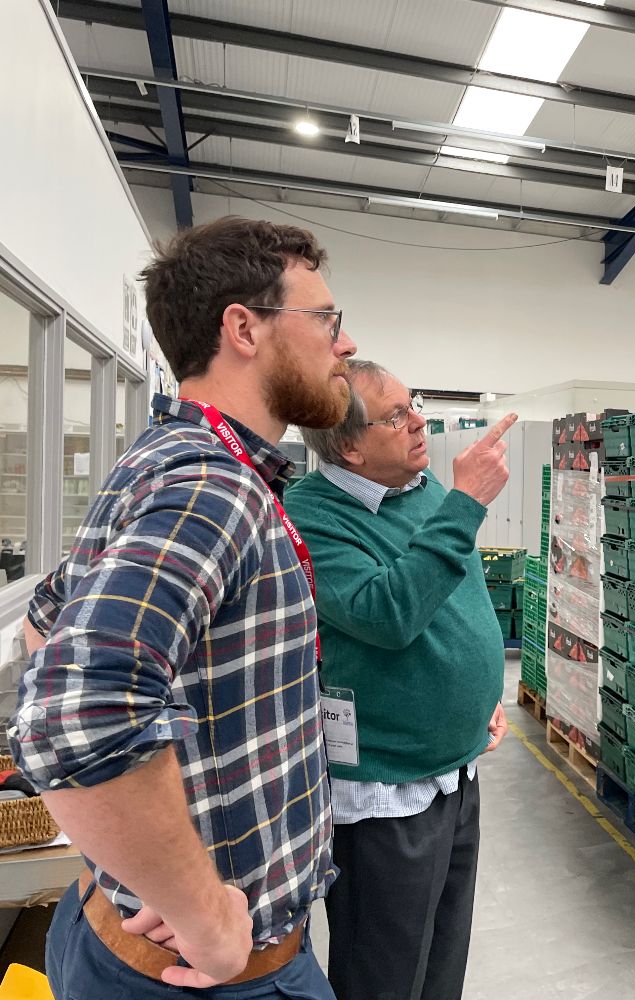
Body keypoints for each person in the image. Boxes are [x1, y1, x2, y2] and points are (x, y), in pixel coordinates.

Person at [10, 217, 357, 998]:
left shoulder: (162, 456)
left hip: (122, 937)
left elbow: (45, 622)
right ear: (244, 327)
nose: (344, 344)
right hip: (207, 976)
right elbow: (78, 715)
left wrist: (158, 865)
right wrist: (203, 914)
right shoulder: (213, 486)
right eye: (326, 319)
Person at [283, 361, 515, 1000]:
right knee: (383, 973)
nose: (420, 422)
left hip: (456, 769)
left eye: (414, 405)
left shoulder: (423, 491)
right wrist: (467, 504)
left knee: (443, 959)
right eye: (397, 415)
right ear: (349, 445)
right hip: (386, 790)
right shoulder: (312, 516)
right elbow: (387, 615)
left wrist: (480, 689)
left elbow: (459, 597)